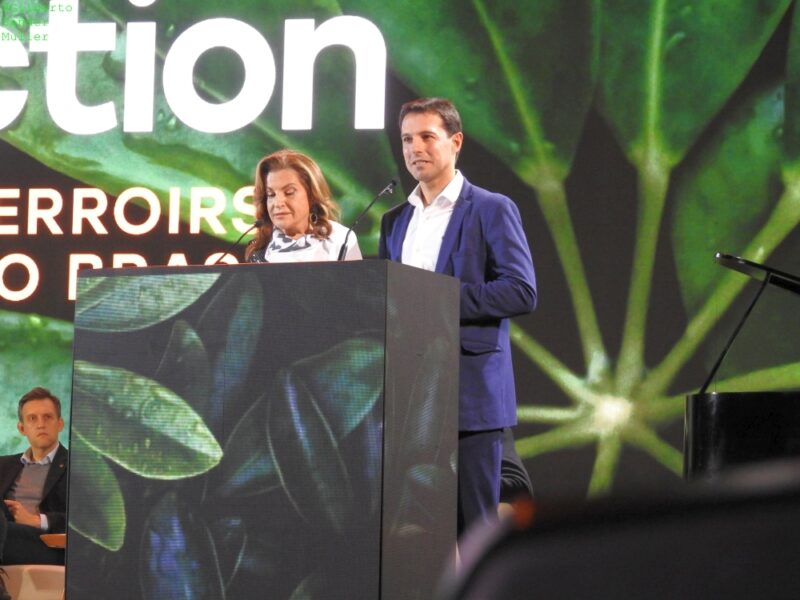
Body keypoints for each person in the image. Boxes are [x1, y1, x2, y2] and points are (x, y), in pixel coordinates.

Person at [378, 97, 537, 535]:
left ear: (456, 142)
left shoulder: (491, 208)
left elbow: (521, 290)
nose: (415, 148)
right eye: (407, 139)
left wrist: (442, 299)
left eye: (427, 137)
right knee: (417, 531)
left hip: (471, 393)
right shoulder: (394, 221)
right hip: (411, 396)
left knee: (477, 526)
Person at [0, 387, 69, 598]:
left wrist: (37, 521)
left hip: (43, 543)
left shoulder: (76, 467)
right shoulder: (3, 465)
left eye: (47, 417)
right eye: (32, 418)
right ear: (22, 428)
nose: (41, 424)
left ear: (60, 424)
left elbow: (84, 520)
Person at [245, 149, 362, 263]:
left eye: (289, 192)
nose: (278, 203)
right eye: (271, 194)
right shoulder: (259, 252)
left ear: (312, 195)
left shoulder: (341, 239)